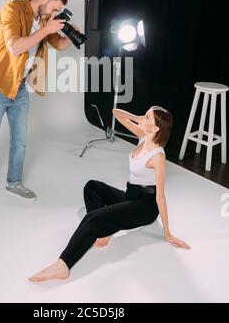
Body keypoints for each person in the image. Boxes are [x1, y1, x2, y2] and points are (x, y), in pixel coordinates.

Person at [29, 106, 191, 282]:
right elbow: (115, 112)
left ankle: (63, 265)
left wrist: (167, 233)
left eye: (147, 118)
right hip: (132, 195)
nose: (142, 119)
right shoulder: (142, 136)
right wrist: (139, 117)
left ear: (156, 129)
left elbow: (160, 196)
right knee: (92, 187)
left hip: (145, 207)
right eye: (144, 115)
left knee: (93, 218)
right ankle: (105, 231)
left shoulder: (158, 157)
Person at [0, 0, 79, 211]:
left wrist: (71, 36)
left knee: (20, 142)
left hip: (19, 89)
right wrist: (46, 29)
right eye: (53, 8)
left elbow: (57, 44)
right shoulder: (12, 8)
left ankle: (14, 183)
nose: (53, 14)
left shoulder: (44, 21)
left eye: (57, 11)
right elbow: (15, 48)